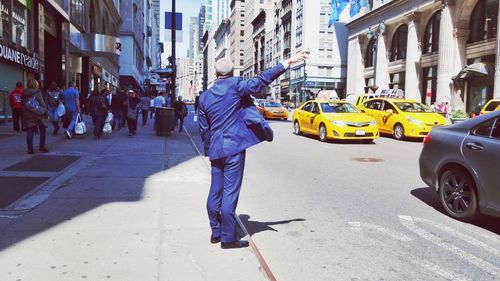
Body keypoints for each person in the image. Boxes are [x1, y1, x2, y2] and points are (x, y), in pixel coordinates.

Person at [199, 51, 308, 249]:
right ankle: (228, 238)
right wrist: (287, 63)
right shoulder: (236, 85)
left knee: (215, 191)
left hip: (215, 149)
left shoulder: (205, 97)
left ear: (215, 74)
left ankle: (215, 231)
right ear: (231, 72)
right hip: (233, 148)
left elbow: (204, 128)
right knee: (230, 193)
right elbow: (261, 80)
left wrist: (208, 151)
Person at [22, 79, 49, 154]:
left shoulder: (24, 93)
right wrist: (45, 111)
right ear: (35, 84)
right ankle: (42, 147)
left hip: (28, 114)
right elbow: (42, 103)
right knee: (43, 129)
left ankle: (30, 149)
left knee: (30, 131)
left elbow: (23, 104)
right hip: (38, 114)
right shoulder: (37, 92)